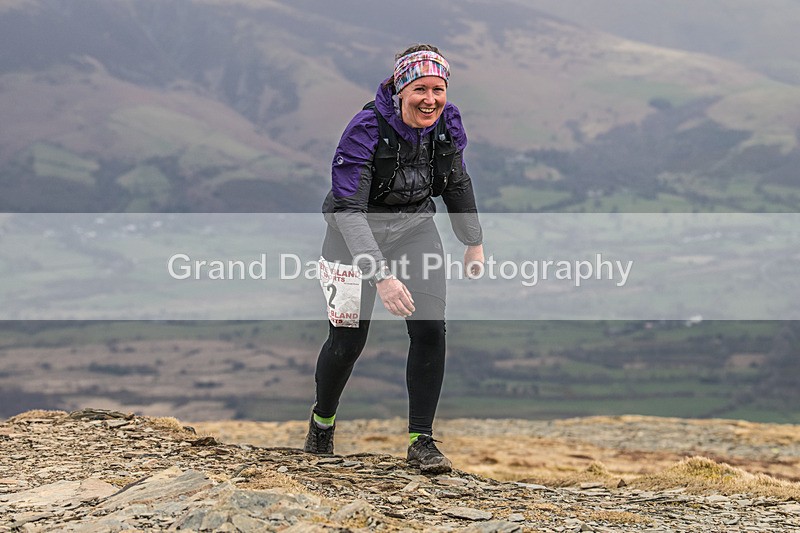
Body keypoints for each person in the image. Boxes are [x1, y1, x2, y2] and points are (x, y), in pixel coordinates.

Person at [304, 44, 484, 474]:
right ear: (401, 89)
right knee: (347, 342)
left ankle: (421, 441)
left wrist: (472, 240)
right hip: (350, 239)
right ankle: (322, 423)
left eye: (438, 89)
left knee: (430, 329)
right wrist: (381, 276)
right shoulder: (365, 128)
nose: (430, 99)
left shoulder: (447, 124)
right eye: (420, 89)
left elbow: (456, 180)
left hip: (413, 230)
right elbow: (349, 210)